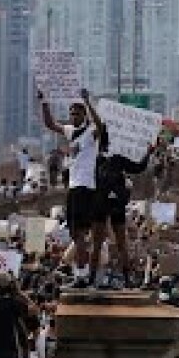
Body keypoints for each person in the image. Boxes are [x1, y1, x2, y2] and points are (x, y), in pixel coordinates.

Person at [38, 87, 109, 285]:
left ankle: (82, 274)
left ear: (84, 115)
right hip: (74, 187)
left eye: (77, 113)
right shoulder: (71, 131)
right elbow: (50, 124)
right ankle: (82, 273)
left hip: (85, 187)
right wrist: (44, 102)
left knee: (80, 234)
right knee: (75, 234)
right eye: (71, 113)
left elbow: (101, 125)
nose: (73, 116)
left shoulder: (90, 133)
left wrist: (88, 101)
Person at [95, 142, 153, 287]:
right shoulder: (96, 159)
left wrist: (148, 153)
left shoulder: (116, 159)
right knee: (99, 242)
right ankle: (91, 277)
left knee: (119, 242)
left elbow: (138, 167)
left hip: (114, 204)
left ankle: (126, 278)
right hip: (102, 204)